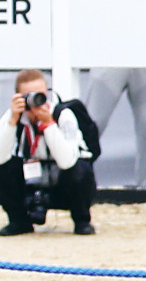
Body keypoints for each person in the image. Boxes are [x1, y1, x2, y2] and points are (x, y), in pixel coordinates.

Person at [3, 70, 97, 236]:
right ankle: (19, 221)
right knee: (3, 169)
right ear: (18, 97)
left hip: (63, 184)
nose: (34, 102)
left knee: (81, 170)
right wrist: (12, 122)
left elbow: (68, 162)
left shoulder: (63, 115)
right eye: (28, 96)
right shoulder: (13, 117)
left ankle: (81, 220)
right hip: (30, 185)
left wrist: (48, 124)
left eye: (39, 95)